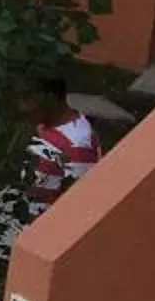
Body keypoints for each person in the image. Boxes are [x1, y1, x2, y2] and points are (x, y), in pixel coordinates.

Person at [26, 76, 102, 210]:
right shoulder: (44, 126)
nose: (23, 107)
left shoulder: (77, 143)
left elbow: (78, 198)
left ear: (50, 97)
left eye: (29, 99)